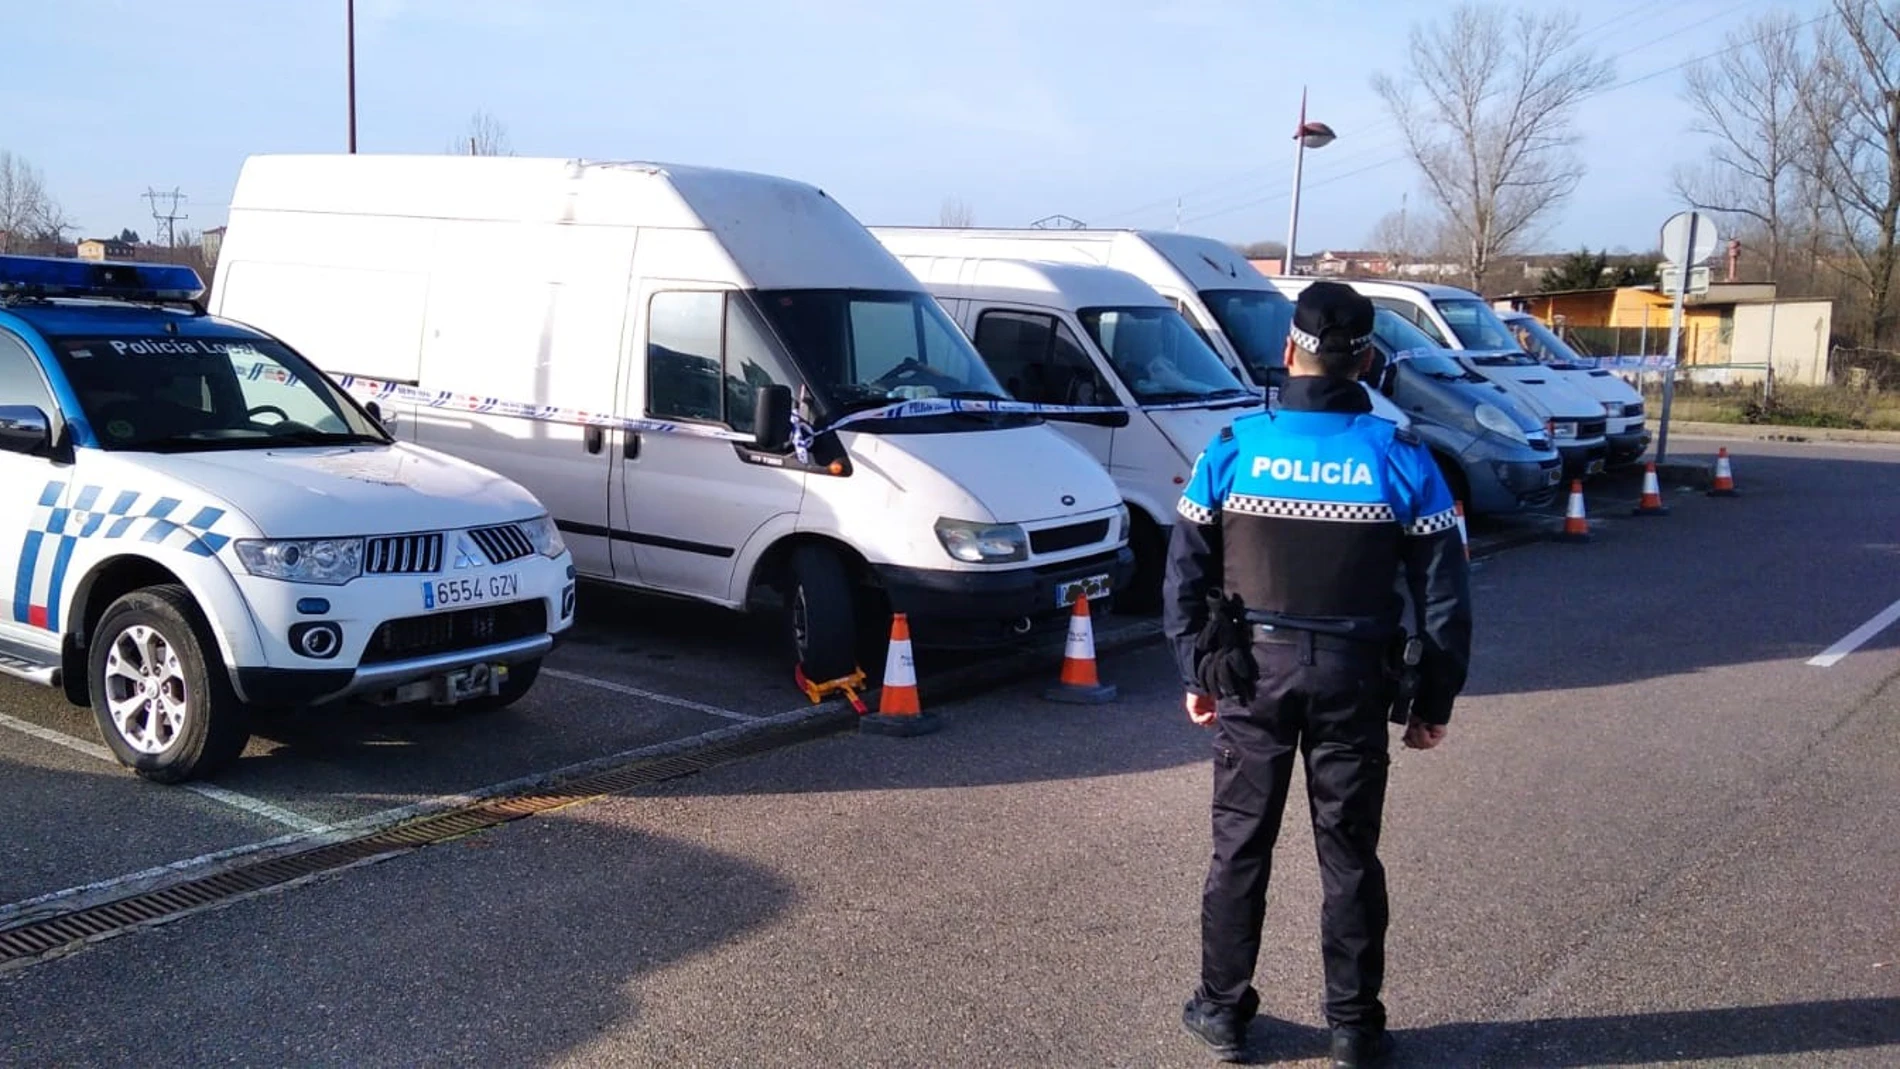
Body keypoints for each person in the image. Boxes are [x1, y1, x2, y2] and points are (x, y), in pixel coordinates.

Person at [1163, 281, 1473, 1067]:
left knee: (1240, 848)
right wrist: (1432, 697)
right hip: (1355, 678)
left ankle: (1224, 1012)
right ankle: (1354, 1027)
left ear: (1288, 350)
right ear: (1367, 359)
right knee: (1349, 856)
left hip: (1249, 675)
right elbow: (1443, 590)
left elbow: (1184, 577)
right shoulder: (1404, 458)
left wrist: (1199, 668)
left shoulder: (1231, 447)